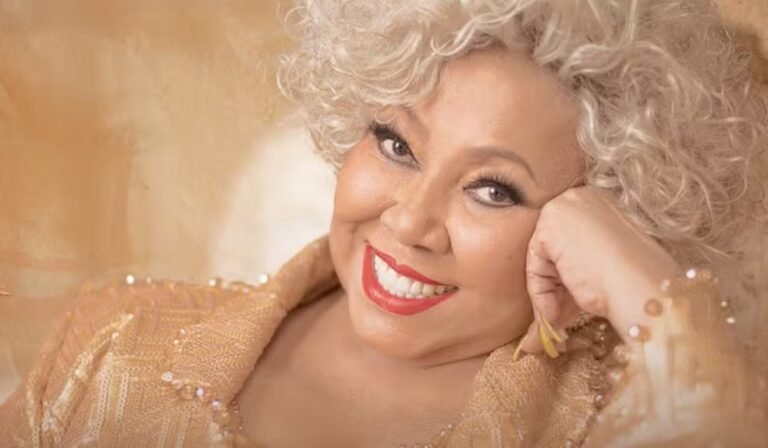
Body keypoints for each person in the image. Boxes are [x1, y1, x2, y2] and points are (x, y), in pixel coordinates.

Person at [1, 0, 767, 446]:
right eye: (396, 144)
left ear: (595, 220)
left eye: (493, 189)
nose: (408, 221)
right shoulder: (110, 348)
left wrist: (652, 288)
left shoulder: (611, 421)